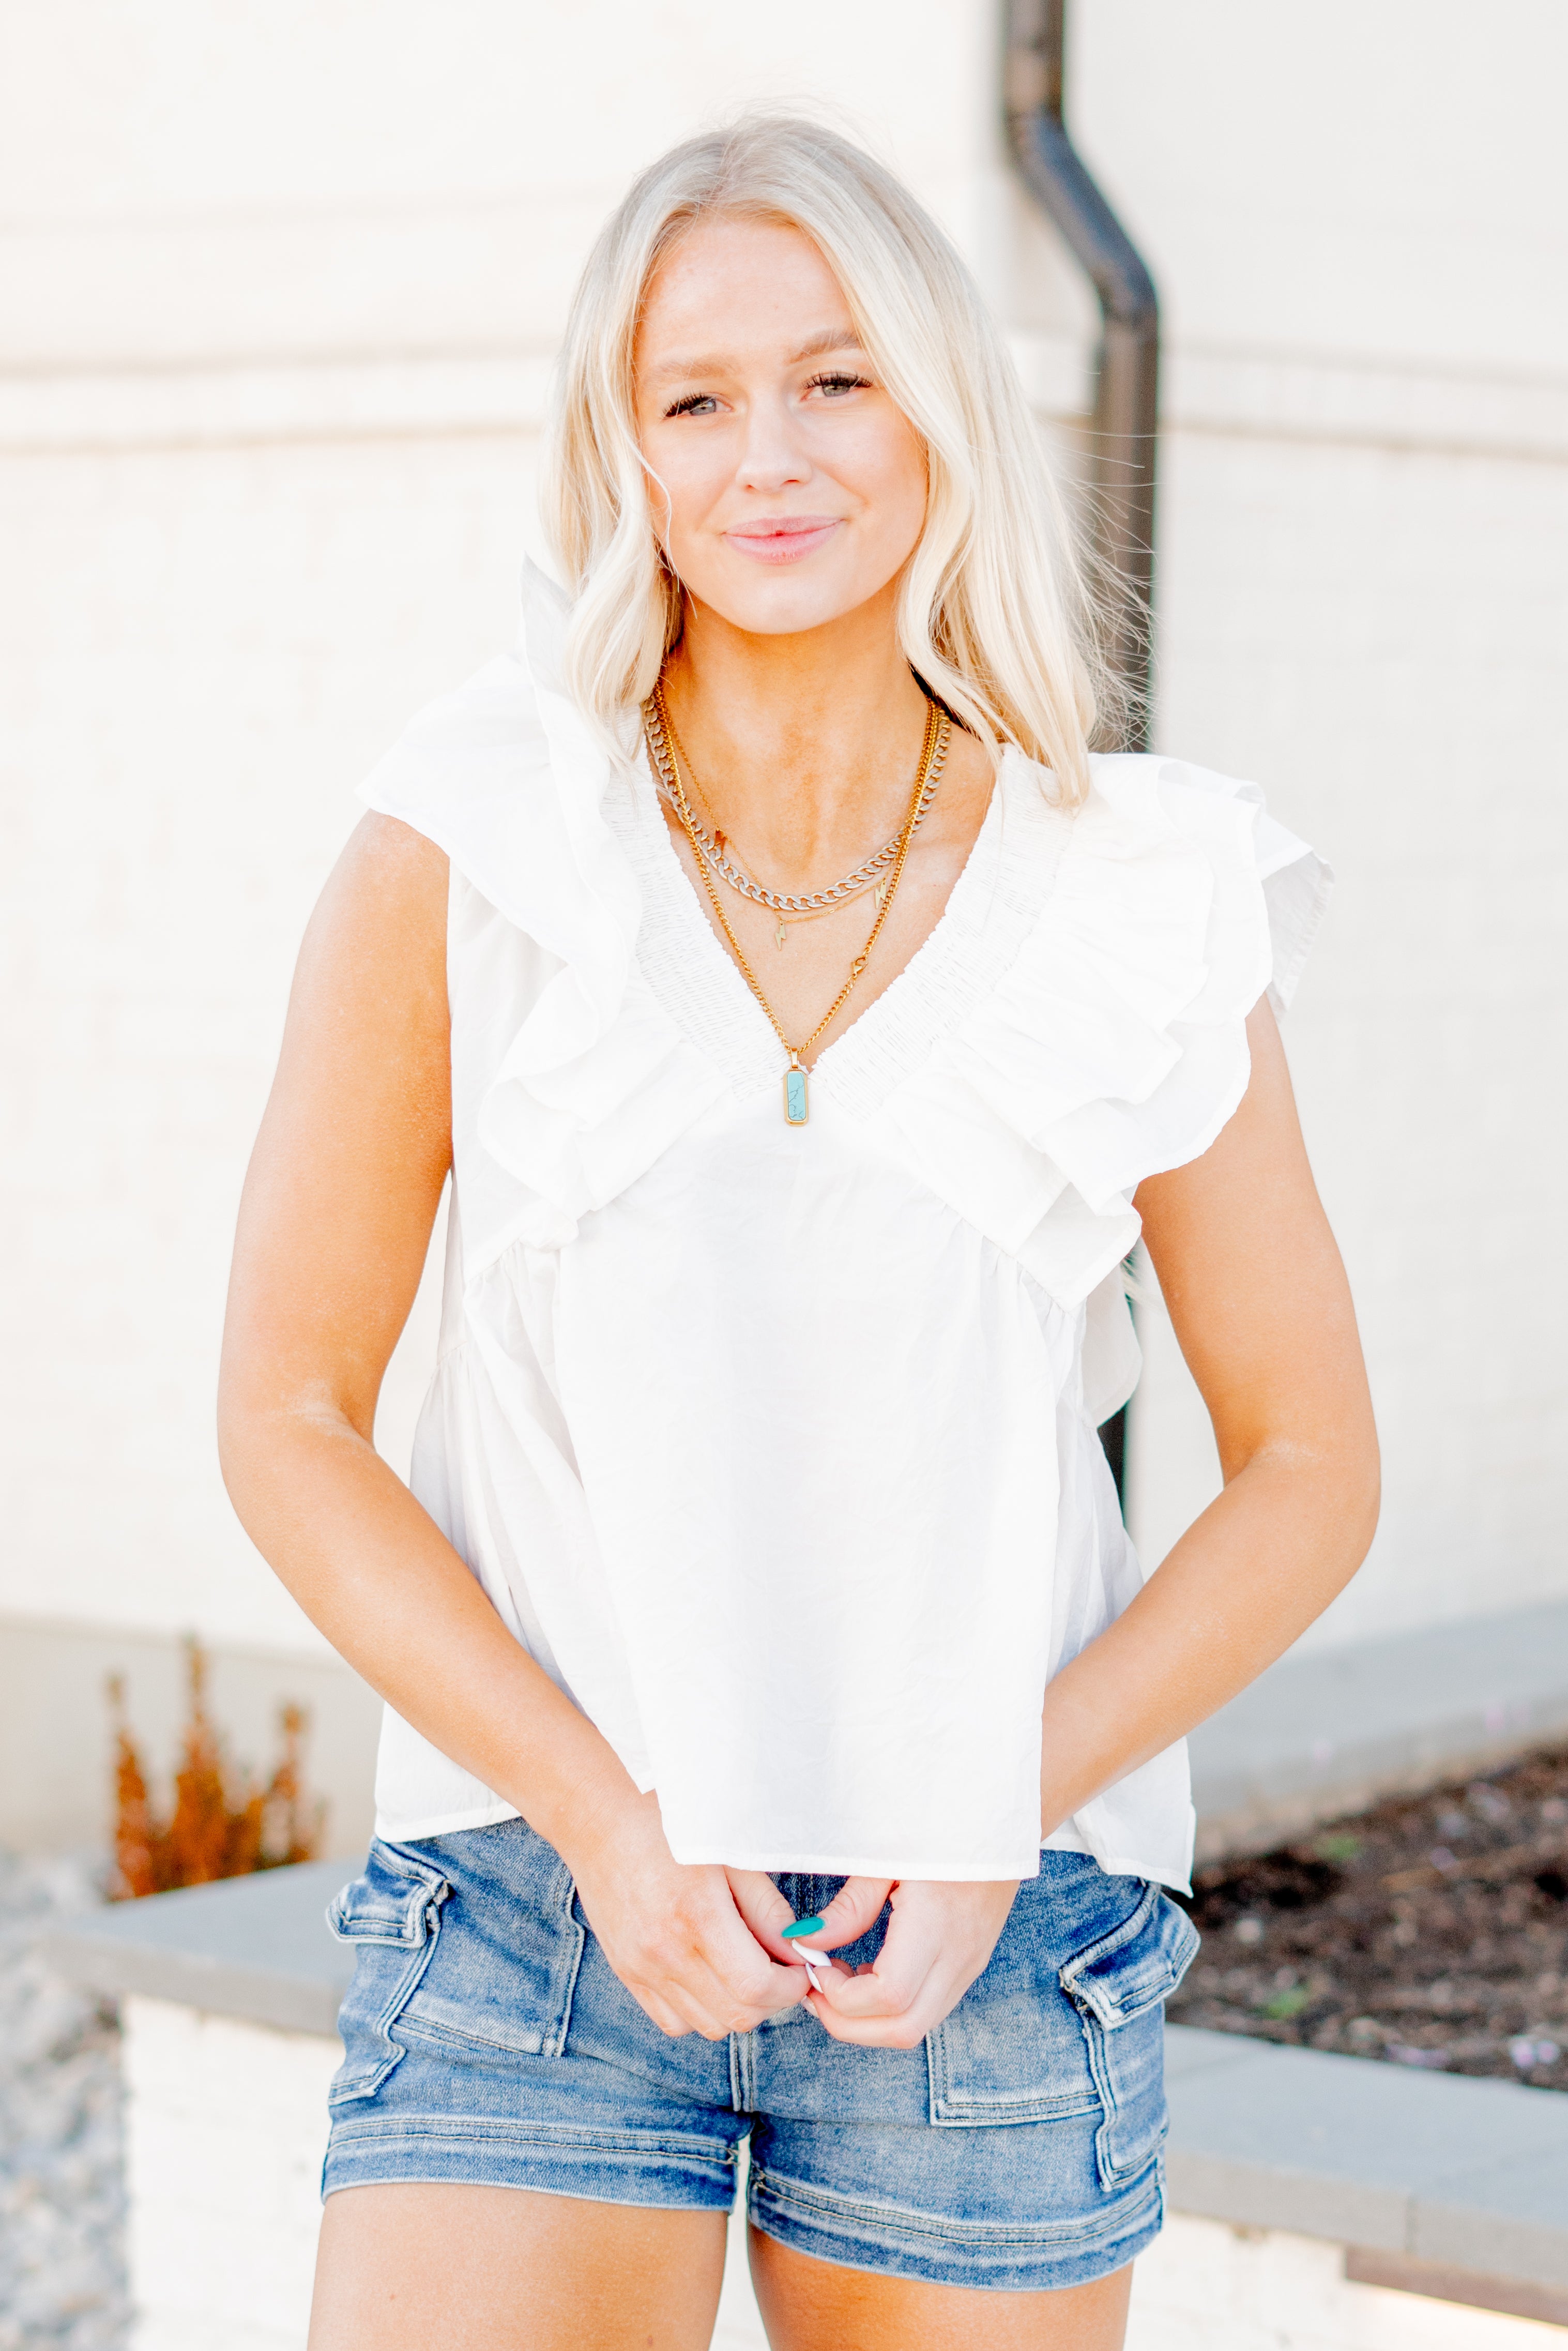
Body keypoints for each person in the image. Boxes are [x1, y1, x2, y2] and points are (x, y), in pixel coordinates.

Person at [219, 114, 1378, 2351]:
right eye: (695, 398)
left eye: (837, 378)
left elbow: (1314, 1464)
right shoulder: (469, 841)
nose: (769, 454)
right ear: (623, 451)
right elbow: (285, 1412)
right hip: (535, 1904)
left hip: (989, 1929)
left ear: (938, 402)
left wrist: (993, 1800)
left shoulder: (1144, 892)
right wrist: (599, 1815)